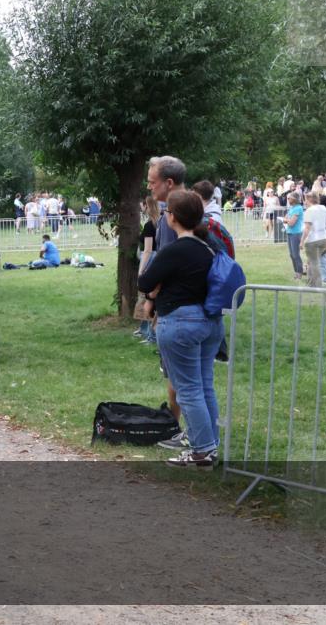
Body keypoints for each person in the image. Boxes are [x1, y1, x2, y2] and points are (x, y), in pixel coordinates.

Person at [138, 190, 222, 469]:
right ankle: (210, 445)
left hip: (181, 322)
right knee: (204, 385)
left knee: (188, 389)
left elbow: (145, 281)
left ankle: (201, 451)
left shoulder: (174, 249)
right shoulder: (208, 246)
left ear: (172, 217)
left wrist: (152, 296)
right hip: (210, 322)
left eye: (167, 212)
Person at [146, 155, 187, 446]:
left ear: (168, 183)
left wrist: (151, 298)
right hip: (189, 305)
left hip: (174, 307)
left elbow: (167, 264)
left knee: (177, 374)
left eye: (152, 183)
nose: (150, 188)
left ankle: (174, 428)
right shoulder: (192, 209)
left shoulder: (173, 216)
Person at [134, 196, 160, 344]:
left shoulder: (150, 225)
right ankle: (145, 329)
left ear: (147, 206)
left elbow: (148, 250)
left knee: (146, 297)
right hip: (157, 259)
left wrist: (141, 271)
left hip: (150, 261)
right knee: (148, 298)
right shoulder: (161, 223)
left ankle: (151, 334)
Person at [300, 192, 326, 288]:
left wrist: (302, 241)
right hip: (323, 238)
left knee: (313, 263)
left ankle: (317, 284)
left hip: (313, 239)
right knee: (312, 261)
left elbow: (307, 228)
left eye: (305, 199)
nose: (304, 202)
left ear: (309, 199)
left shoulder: (309, 211)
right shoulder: (323, 208)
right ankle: (311, 283)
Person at [280, 192, 305, 280]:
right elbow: (286, 218)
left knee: (295, 254)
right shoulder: (292, 208)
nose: (288, 200)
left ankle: (299, 272)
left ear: (294, 199)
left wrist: (286, 220)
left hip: (296, 233)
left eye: (289, 198)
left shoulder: (298, 208)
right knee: (291, 254)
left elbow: (291, 223)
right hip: (290, 233)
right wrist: (286, 219)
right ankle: (296, 271)